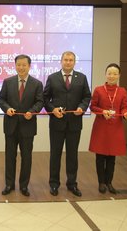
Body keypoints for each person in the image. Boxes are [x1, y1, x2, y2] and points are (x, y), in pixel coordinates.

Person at [43, 51, 91, 197]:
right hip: (57, 123)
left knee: (72, 155)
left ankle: (72, 184)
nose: (68, 62)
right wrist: (53, 109)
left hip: (75, 123)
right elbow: (45, 99)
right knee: (55, 154)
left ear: (74, 62)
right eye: (66, 60)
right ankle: (54, 184)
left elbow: (86, 96)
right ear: (61, 61)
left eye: (71, 60)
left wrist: (82, 108)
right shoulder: (52, 78)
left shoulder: (81, 78)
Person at [0, 54, 44, 197]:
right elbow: (1, 99)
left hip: (28, 126)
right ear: (15, 65)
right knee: (10, 157)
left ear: (29, 66)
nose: (21, 67)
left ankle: (24, 186)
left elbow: (40, 102)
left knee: (26, 157)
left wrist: (32, 111)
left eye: (24, 65)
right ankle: (9, 184)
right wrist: (7, 109)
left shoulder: (37, 84)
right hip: (11, 126)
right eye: (19, 64)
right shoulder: (8, 81)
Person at [88, 63, 127, 194]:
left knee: (112, 157)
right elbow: (93, 106)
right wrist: (102, 111)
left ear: (119, 75)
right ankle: (101, 182)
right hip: (101, 127)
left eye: (115, 73)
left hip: (116, 127)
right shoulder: (98, 90)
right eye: (109, 73)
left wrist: (126, 113)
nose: (112, 76)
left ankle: (109, 182)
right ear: (105, 74)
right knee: (100, 157)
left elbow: (124, 106)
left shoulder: (122, 91)